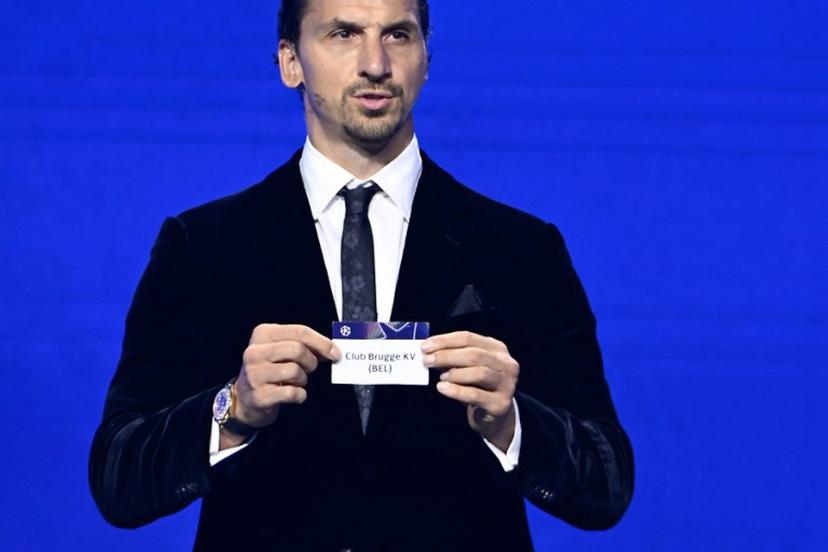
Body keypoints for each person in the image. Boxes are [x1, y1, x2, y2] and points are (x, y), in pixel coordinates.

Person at [89, 0, 634, 550]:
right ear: (290, 62)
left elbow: (606, 484)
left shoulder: (521, 249)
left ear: (425, 58)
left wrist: (511, 423)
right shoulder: (202, 247)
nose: (375, 63)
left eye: (398, 35)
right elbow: (119, 478)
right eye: (344, 33)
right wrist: (232, 410)